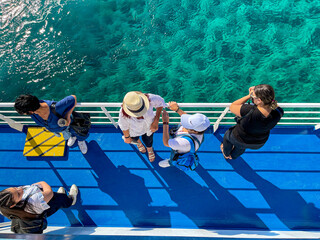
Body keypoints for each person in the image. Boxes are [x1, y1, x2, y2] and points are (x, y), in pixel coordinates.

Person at [220, 84, 284, 160]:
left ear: (259, 100)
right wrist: (257, 93)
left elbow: (232, 106)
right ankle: (233, 156)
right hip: (258, 143)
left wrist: (249, 95)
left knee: (227, 136)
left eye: (254, 98)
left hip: (239, 138)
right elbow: (272, 103)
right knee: (242, 147)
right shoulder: (279, 112)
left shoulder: (249, 110)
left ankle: (226, 154)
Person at [14, 94, 89, 154]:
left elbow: (73, 98)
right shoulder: (34, 114)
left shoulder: (56, 107)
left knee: (79, 133)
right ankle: (72, 137)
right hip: (58, 129)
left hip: (70, 125)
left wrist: (68, 115)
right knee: (70, 135)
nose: (24, 114)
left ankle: (80, 141)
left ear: (30, 111)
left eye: (24, 113)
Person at [0, 181, 78, 234]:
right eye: (18, 194)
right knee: (55, 200)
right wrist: (41, 183)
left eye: (15, 188)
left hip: (27, 223)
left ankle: (60, 198)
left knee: (48, 204)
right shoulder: (33, 200)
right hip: (36, 218)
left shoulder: (3, 207)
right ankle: (71, 200)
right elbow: (49, 192)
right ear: (12, 205)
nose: (20, 189)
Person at [159, 101, 210, 170]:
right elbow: (190, 119)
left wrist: (165, 122)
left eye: (188, 125)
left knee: (173, 158)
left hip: (180, 150)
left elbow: (166, 142)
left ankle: (170, 162)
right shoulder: (200, 129)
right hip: (185, 146)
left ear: (193, 130)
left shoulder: (185, 142)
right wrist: (177, 109)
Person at [118, 91, 166, 162]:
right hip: (133, 131)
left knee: (148, 140)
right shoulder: (123, 112)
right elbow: (123, 125)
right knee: (134, 138)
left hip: (149, 128)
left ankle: (149, 149)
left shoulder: (150, 98)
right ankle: (139, 143)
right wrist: (127, 137)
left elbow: (160, 103)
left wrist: (156, 121)